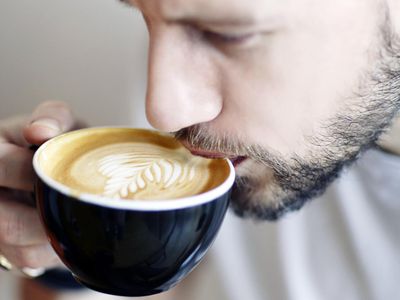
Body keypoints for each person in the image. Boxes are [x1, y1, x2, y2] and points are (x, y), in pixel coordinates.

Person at [1, 0, 400, 299]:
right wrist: (67, 252)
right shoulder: (179, 55)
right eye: (140, 14)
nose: (161, 111)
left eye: (228, 34)